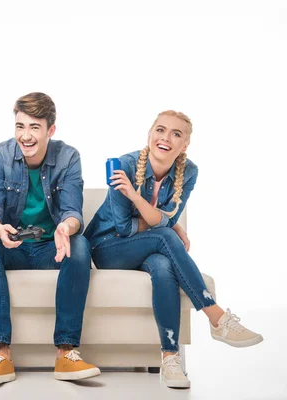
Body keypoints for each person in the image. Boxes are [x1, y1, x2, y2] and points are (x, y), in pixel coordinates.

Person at [83, 110, 263, 388]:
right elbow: (123, 227)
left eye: (176, 134)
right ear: (150, 134)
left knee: (163, 264)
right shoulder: (124, 166)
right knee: (166, 235)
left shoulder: (188, 171)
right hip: (107, 248)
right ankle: (216, 316)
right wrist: (140, 201)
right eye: (160, 130)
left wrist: (165, 222)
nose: (166, 138)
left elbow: (170, 218)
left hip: (143, 246)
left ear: (184, 145)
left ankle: (170, 358)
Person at [0, 92, 100, 385]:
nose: (25, 135)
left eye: (34, 127)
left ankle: (66, 352)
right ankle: (1, 354)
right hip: (12, 247)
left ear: (50, 130)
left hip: (49, 249)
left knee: (79, 244)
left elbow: (72, 212)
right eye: (20, 126)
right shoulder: (0, 155)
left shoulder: (68, 157)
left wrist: (65, 228)